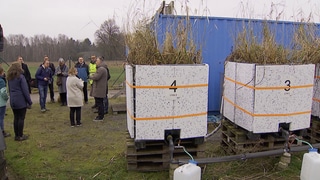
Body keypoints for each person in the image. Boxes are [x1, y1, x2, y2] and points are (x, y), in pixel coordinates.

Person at [7, 62, 32, 141]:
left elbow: (10, 90)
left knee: (16, 117)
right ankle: (20, 135)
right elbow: (25, 90)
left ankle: (16, 135)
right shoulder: (21, 77)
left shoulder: (10, 78)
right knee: (21, 118)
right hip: (20, 100)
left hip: (13, 100)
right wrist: (29, 101)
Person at [89, 56, 107, 121]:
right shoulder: (101, 68)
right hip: (99, 88)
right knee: (99, 103)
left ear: (100, 61)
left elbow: (96, 77)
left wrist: (90, 76)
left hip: (99, 89)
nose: (96, 62)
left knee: (100, 103)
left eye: (97, 61)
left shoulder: (101, 69)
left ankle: (100, 116)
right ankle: (100, 115)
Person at [0, 67, 9, 137]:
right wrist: (7, 98)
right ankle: (2, 131)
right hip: (1, 102)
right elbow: (3, 92)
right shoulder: (1, 81)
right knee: (1, 117)